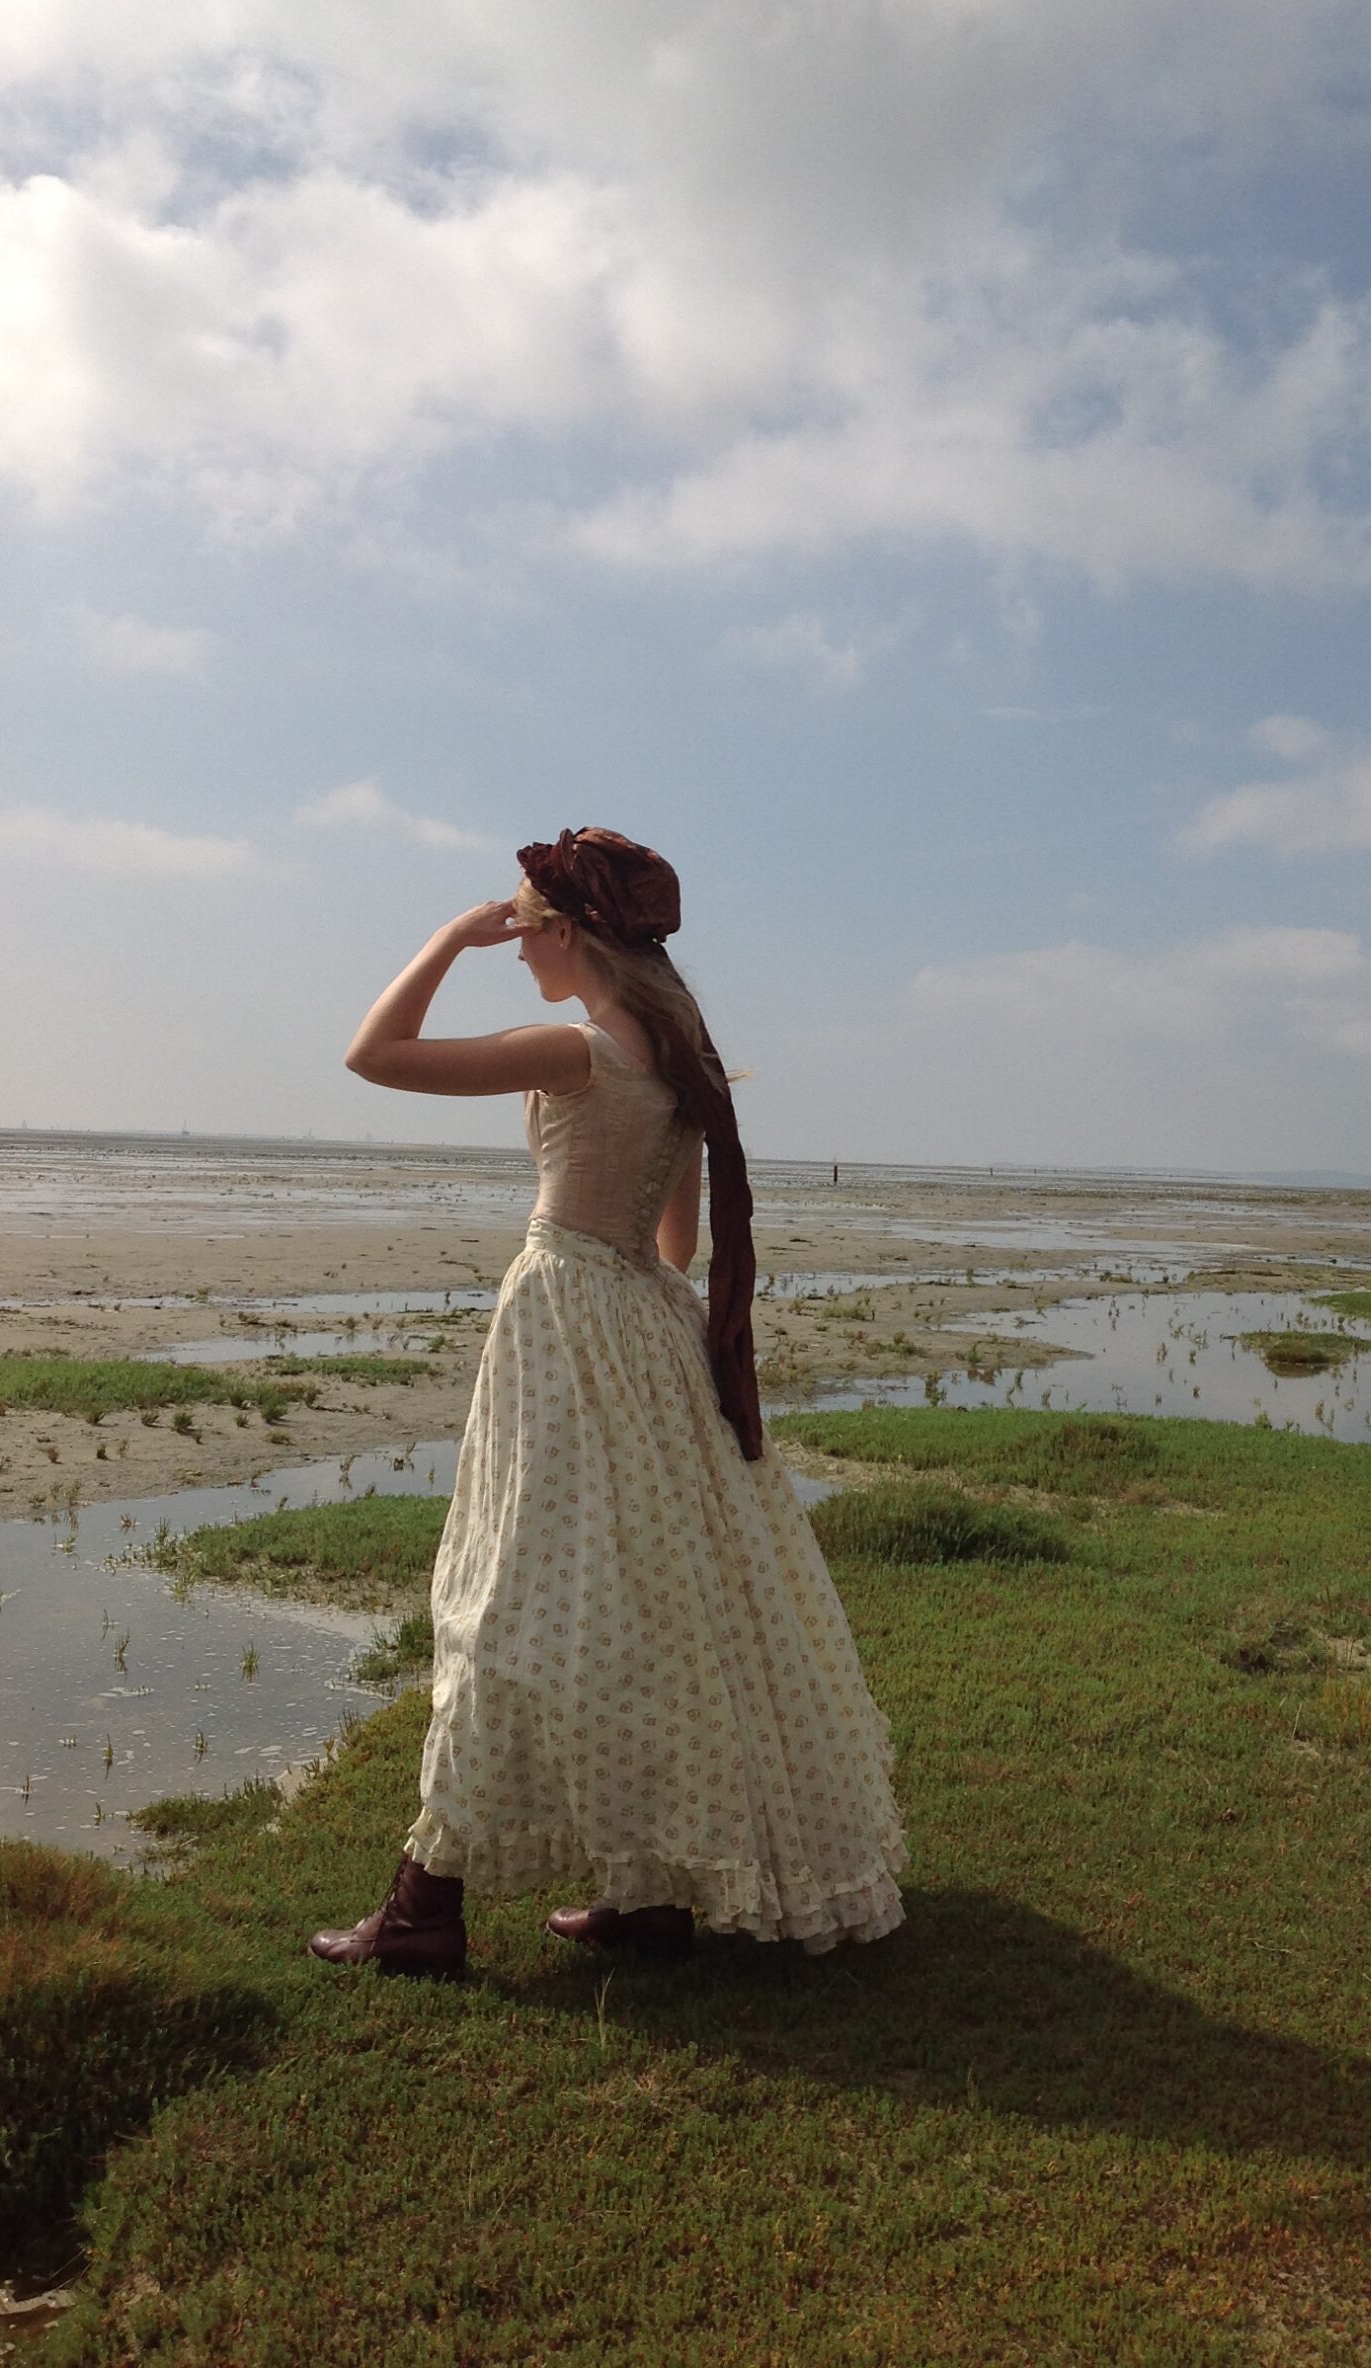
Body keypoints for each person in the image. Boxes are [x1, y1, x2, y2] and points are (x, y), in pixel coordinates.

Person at [309, 826, 908, 1976]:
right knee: (658, 1608)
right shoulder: (677, 1058)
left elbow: (372, 1054)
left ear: (571, 931)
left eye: (524, 928)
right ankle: (650, 1892)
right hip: (644, 1324)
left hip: (565, 1321)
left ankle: (425, 1908)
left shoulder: (575, 1050)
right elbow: (676, 1240)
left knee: (506, 1595)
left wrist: (447, 936)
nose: (515, 948)